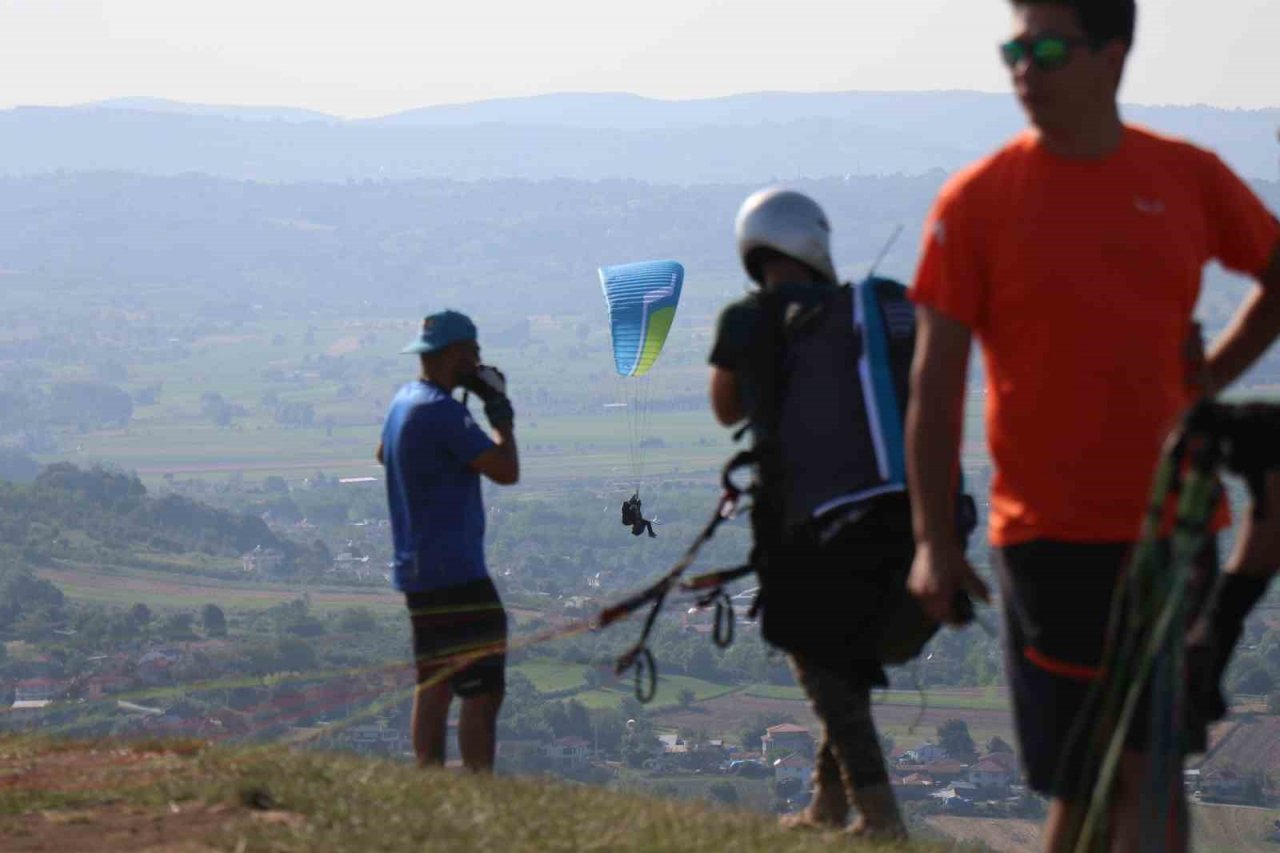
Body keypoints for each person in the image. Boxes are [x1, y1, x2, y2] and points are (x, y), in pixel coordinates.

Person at [904, 1, 1280, 849]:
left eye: (1045, 49)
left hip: (1172, 529)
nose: (1022, 70)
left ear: (1113, 56)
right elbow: (934, 384)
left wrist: (1211, 374)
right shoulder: (978, 200)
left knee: (1146, 772)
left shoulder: (1187, 176)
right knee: (1081, 782)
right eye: (1013, 49)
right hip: (1045, 538)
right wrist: (931, 538)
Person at [708, 187, 946, 840]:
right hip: (907, 514)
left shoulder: (748, 319)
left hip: (815, 529)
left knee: (819, 665)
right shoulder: (869, 314)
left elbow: (725, 408)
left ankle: (879, 816)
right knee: (843, 660)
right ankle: (827, 805)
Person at [376, 309, 520, 772]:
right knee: (483, 690)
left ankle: (429, 778)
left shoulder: (405, 401)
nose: (478, 363)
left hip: (416, 570)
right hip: (456, 572)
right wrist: (500, 413)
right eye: (474, 354)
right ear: (456, 354)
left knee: (433, 680)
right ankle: (478, 787)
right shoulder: (441, 411)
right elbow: (506, 470)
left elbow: (383, 452)